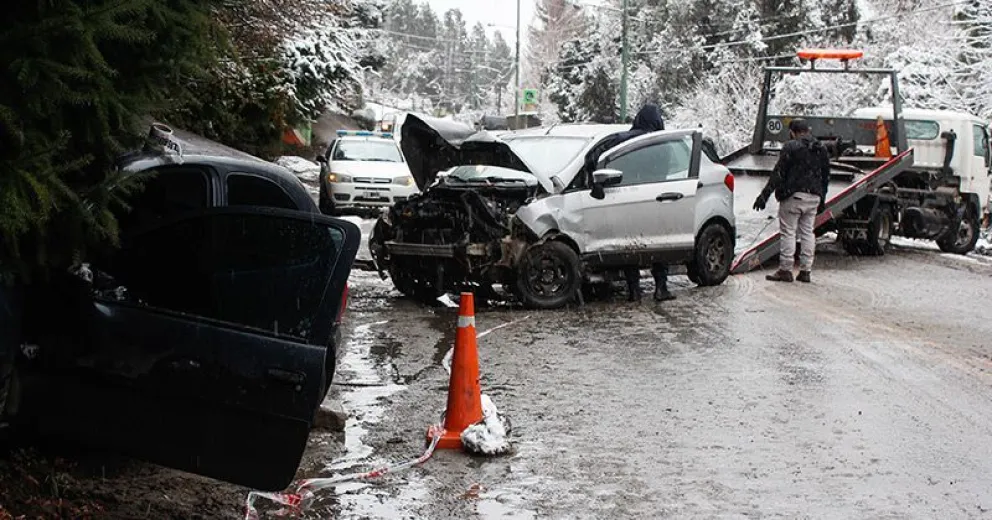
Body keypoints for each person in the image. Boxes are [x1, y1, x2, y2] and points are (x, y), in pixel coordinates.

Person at [581, 104, 675, 302]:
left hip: (628, 197)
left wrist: (594, 180)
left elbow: (591, 156)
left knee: (631, 244)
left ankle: (634, 290)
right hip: (655, 198)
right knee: (659, 244)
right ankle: (661, 287)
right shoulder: (661, 144)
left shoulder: (624, 140)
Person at [752, 118, 830, 283]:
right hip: (814, 196)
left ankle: (786, 270)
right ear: (807, 131)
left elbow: (778, 173)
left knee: (788, 233)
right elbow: (825, 177)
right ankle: (806, 270)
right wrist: (822, 198)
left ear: (792, 132)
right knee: (808, 232)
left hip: (793, 196)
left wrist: (764, 196)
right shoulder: (821, 148)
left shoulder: (791, 147)